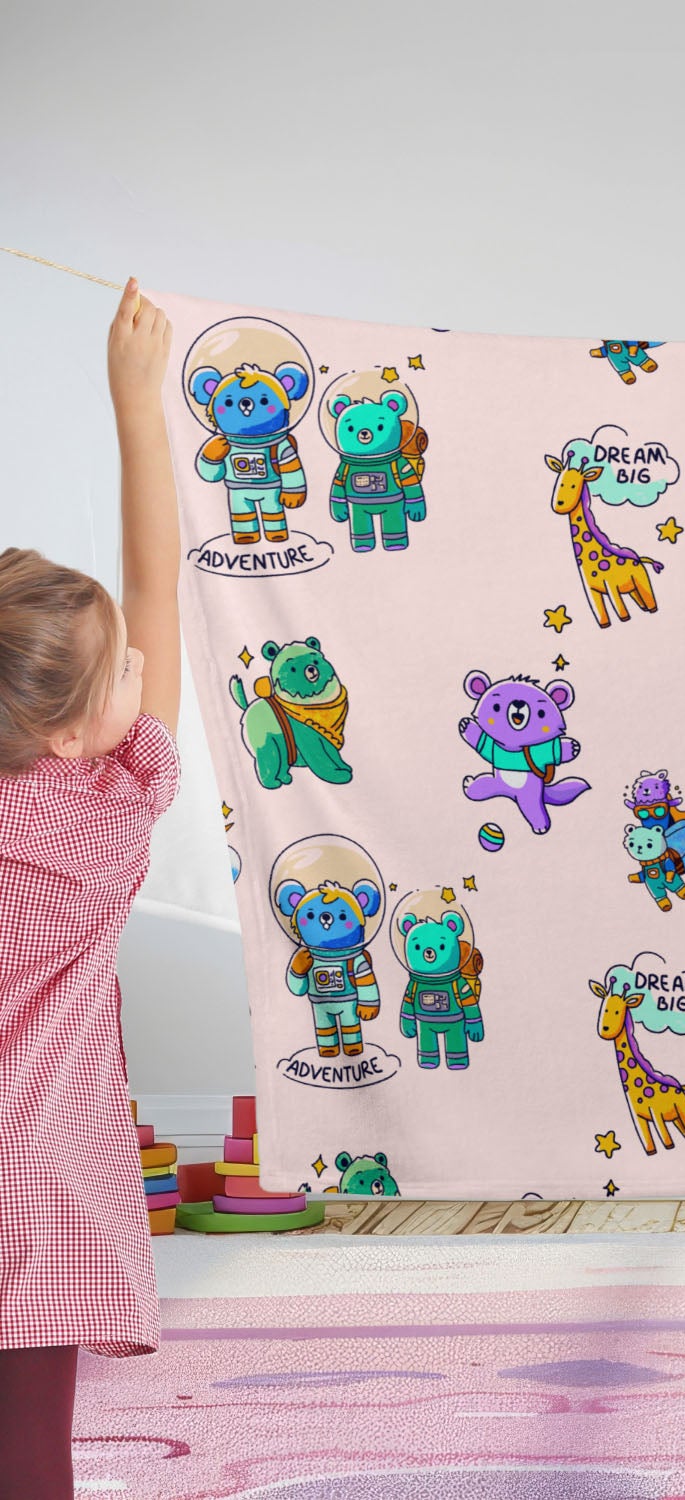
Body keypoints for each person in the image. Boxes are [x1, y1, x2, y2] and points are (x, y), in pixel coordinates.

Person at [0, 279, 180, 1498]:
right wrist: (136, 406)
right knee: (28, 1463)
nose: (140, 669)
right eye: (122, 673)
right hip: (35, 1191)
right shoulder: (103, 816)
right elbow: (158, 590)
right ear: (64, 737)